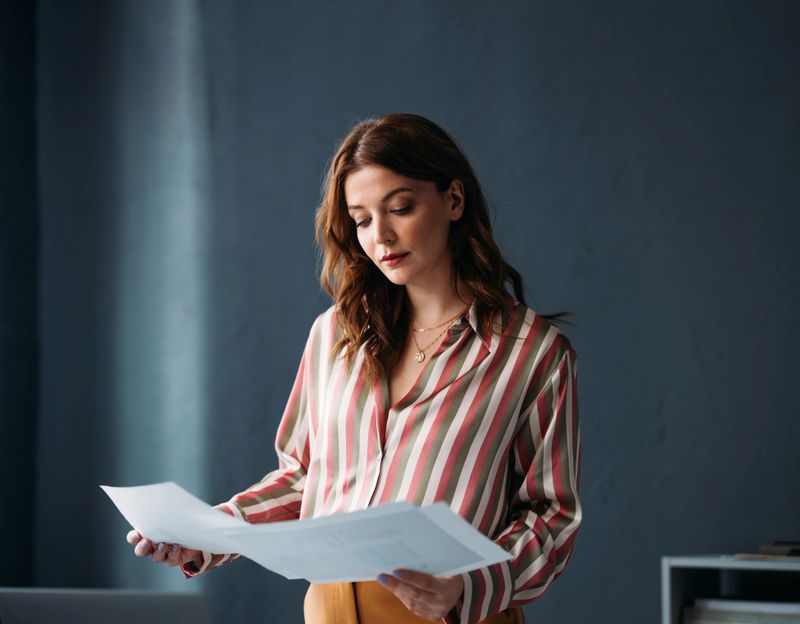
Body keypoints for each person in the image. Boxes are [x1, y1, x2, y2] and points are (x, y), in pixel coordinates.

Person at [127, 113, 581, 624]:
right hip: (330, 610)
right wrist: (204, 535)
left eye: (401, 208)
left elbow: (551, 515)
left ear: (453, 200)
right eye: (362, 219)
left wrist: (468, 588)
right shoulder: (335, 334)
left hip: (451, 614)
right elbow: (302, 478)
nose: (381, 236)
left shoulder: (531, 351)